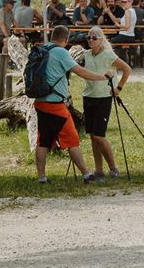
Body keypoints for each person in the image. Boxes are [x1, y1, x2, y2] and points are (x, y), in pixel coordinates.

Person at [28, 26, 107, 185]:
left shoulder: (42, 49)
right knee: (72, 140)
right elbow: (80, 72)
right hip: (55, 104)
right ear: (66, 39)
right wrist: (102, 77)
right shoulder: (61, 52)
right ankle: (87, 176)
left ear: (52, 36)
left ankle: (42, 178)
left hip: (40, 101)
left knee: (43, 141)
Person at [76, 26, 132, 179]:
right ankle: (98, 169)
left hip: (103, 98)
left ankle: (113, 168)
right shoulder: (86, 54)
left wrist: (118, 88)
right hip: (88, 97)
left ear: (101, 40)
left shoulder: (108, 54)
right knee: (93, 136)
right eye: (89, 38)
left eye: (94, 38)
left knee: (99, 135)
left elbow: (127, 69)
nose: (91, 40)